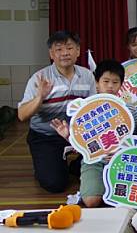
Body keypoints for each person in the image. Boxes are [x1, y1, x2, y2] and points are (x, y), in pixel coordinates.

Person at [50, 59, 137, 207]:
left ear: (121, 84)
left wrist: (123, 152)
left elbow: (136, 141)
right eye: (106, 81)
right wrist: (68, 136)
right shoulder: (85, 110)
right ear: (97, 82)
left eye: (115, 82)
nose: (110, 86)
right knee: (91, 201)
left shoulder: (131, 111)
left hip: (122, 160)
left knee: (125, 199)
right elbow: (81, 143)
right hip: (94, 160)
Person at [18, 30, 96, 193]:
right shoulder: (39, 78)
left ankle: (75, 164)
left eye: (69, 48)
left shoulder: (87, 75)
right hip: (46, 136)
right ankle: (46, 164)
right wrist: (40, 97)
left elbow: (93, 109)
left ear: (78, 51)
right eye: (59, 49)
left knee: (98, 162)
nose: (65, 53)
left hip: (77, 134)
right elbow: (22, 115)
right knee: (55, 184)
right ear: (51, 54)